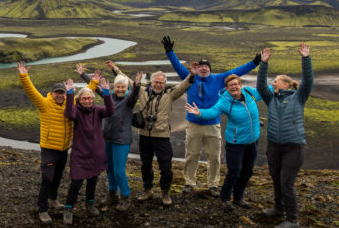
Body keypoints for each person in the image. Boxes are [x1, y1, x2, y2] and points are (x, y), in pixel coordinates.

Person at [162, 36, 261, 197]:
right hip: (193, 124)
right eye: (200, 66)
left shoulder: (219, 79)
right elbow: (177, 65)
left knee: (214, 156)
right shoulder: (190, 78)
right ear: (197, 69)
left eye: (206, 66)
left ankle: (213, 184)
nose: (203, 68)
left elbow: (237, 71)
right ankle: (189, 183)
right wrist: (169, 52)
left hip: (212, 124)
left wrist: (254, 63)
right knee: (191, 155)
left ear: (210, 69)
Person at [16, 61, 99, 224]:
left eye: (62, 92)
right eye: (57, 93)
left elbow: (86, 95)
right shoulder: (44, 104)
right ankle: (42, 208)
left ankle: (53, 199)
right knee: (47, 178)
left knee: (58, 176)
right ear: (51, 93)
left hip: (63, 149)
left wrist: (94, 81)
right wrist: (24, 75)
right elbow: (31, 91)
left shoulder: (71, 103)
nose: (60, 95)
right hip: (49, 149)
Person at [109, 61, 197, 206]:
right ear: (151, 82)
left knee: (166, 167)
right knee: (145, 165)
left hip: (162, 136)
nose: (158, 85)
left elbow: (184, 85)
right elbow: (127, 81)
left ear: (164, 84)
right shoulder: (142, 91)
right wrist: (115, 69)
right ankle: (147, 190)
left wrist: (192, 75)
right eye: (156, 82)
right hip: (144, 134)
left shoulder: (170, 94)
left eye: (161, 83)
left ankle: (165, 192)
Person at [257, 43, 313, 228]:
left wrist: (306, 59)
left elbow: (308, 80)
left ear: (287, 85)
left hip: (293, 147)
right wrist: (263, 64)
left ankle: (292, 219)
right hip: (274, 145)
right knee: (275, 178)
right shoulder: (271, 99)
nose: (273, 83)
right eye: (273, 81)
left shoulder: (299, 97)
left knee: (286, 182)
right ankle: (279, 209)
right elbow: (260, 85)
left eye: (276, 81)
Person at [185, 74, 262, 211]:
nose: (234, 87)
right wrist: (199, 112)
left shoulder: (250, 93)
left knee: (247, 171)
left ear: (241, 85)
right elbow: (213, 112)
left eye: (236, 84)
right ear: (226, 88)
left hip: (252, 142)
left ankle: (238, 197)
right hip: (235, 143)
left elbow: (266, 91)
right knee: (234, 171)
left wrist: (277, 87)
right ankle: (225, 197)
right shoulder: (225, 101)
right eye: (230, 85)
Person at [77, 63, 143, 210]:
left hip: (121, 141)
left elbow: (134, 95)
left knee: (119, 171)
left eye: (123, 87)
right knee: (109, 168)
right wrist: (83, 74)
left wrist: (137, 85)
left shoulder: (129, 101)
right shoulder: (110, 96)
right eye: (118, 87)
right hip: (107, 139)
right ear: (114, 87)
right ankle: (112, 193)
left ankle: (125, 196)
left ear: (126, 88)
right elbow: (96, 88)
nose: (120, 89)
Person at [62, 74, 114, 225]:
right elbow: (68, 113)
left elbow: (111, 110)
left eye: (90, 98)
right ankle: (68, 209)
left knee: (93, 181)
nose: (88, 101)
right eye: (84, 98)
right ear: (79, 100)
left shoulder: (97, 110)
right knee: (76, 183)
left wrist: (106, 93)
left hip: (96, 154)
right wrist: (70, 93)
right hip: (80, 154)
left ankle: (89, 204)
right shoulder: (76, 111)